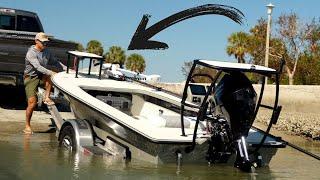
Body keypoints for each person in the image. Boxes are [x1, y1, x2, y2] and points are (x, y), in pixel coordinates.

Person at [23, 32, 65, 134]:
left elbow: (56, 62)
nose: (45, 45)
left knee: (50, 75)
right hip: (31, 78)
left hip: (42, 76)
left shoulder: (47, 51)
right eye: (43, 43)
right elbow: (38, 67)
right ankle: (27, 126)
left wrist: (67, 70)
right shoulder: (31, 53)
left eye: (46, 43)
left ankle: (47, 97)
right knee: (32, 104)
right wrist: (52, 72)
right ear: (36, 41)